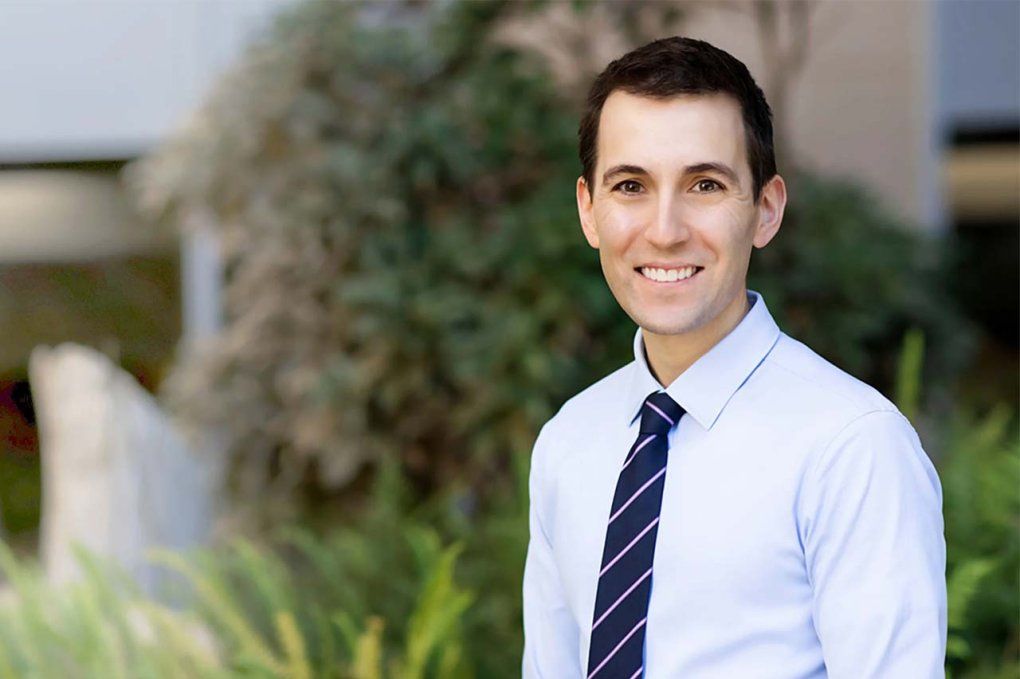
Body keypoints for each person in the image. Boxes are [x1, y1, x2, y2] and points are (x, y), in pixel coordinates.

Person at [521, 36, 946, 678]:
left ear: (766, 211)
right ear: (589, 210)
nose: (665, 230)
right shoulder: (569, 441)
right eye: (631, 185)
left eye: (705, 184)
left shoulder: (852, 446)